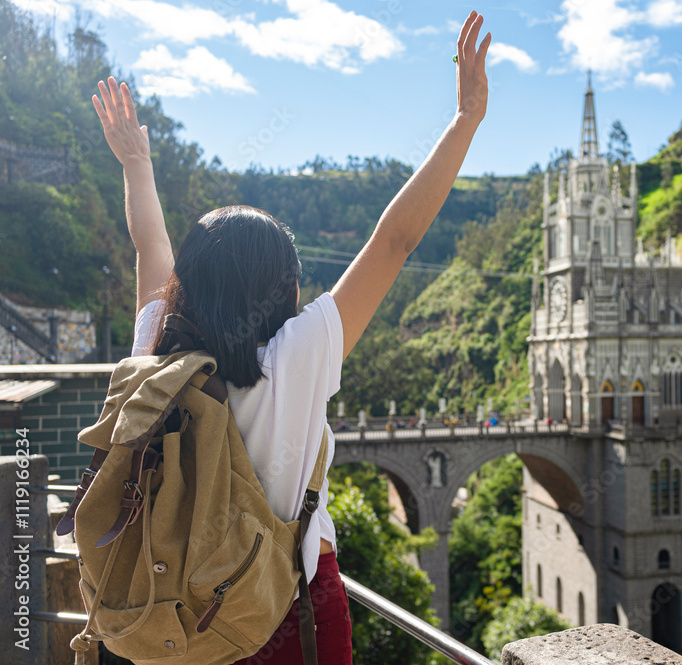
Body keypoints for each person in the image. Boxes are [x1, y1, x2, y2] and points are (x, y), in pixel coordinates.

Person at [91, 12, 491, 665]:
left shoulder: (154, 346)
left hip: (180, 619)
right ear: (280, 287)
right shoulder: (295, 354)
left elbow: (148, 245)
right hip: (284, 614)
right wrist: (466, 119)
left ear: (188, 279)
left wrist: (136, 162)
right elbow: (395, 239)